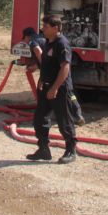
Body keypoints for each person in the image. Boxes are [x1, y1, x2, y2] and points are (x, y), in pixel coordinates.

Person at [26, 15, 78, 164]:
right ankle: (43, 149)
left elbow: (65, 68)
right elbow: (46, 65)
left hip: (59, 89)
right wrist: (42, 80)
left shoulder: (62, 44)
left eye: (46, 26)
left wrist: (55, 88)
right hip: (46, 87)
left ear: (55, 28)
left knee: (64, 121)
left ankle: (70, 151)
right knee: (40, 119)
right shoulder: (48, 42)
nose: (43, 29)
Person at [23, 26, 85, 127]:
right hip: (60, 68)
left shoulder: (32, 41)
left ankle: (45, 117)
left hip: (50, 72)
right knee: (69, 94)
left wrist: (43, 66)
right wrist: (35, 66)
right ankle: (77, 115)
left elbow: (39, 52)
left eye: (24, 39)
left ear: (27, 37)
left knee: (43, 92)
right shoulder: (44, 39)